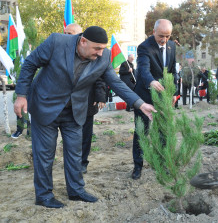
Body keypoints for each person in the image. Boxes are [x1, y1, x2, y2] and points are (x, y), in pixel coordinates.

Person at [14, 26, 156, 208]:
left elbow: (115, 82)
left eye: (103, 48)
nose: (100, 53)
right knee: (45, 154)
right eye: (96, 48)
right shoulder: (56, 42)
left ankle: (76, 190)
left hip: (74, 111)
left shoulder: (103, 56)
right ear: (83, 41)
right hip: (45, 105)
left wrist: (140, 103)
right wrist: (21, 96)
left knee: (75, 153)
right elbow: (29, 64)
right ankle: (43, 195)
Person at [132, 19, 177, 180]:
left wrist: (173, 92)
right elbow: (143, 69)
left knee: (162, 131)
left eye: (167, 36)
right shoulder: (144, 47)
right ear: (153, 32)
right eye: (161, 36)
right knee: (141, 132)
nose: (164, 40)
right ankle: (138, 166)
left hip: (163, 96)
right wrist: (151, 81)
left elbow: (172, 71)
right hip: (145, 95)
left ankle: (162, 163)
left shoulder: (172, 47)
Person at [64, 24, 107, 174]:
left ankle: (83, 162)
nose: (66, 36)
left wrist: (100, 96)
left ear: (80, 37)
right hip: (67, 104)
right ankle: (71, 162)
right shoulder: (64, 51)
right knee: (70, 136)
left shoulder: (93, 51)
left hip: (87, 102)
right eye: (64, 33)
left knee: (85, 134)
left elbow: (100, 78)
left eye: (69, 33)